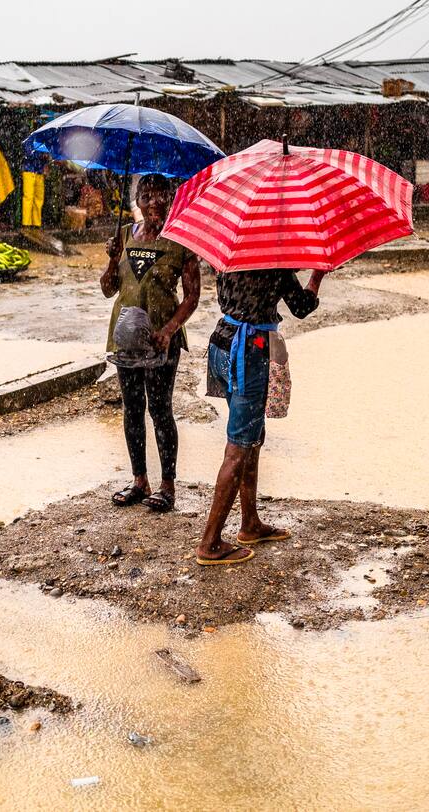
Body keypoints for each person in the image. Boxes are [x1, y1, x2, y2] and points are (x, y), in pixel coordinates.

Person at [196, 268, 325, 564]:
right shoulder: (276, 265)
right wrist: (318, 276)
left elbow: (231, 297)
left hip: (221, 342)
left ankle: (250, 523)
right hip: (248, 351)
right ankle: (210, 542)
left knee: (252, 436)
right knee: (239, 446)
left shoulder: (229, 258)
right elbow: (301, 308)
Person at [100, 174, 201, 512]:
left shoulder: (180, 242)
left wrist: (170, 329)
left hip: (161, 339)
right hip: (125, 337)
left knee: (160, 409)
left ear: (171, 200)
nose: (155, 201)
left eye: (162, 195)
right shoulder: (125, 236)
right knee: (132, 409)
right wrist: (113, 258)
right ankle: (139, 480)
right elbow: (107, 289)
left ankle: (167, 484)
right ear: (138, 202)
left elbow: (192, 297)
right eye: (148, 195)